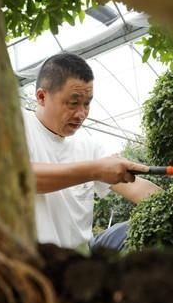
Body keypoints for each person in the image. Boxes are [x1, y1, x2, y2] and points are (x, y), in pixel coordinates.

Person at [23, 52, 161, 251]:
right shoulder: (18, 127)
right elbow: (22, 178)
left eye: (87, 103)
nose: (81, 114)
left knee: (143, 229)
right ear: (42, 97)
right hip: (35, 265)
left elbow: (136, 187)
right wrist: (94, 170)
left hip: (81, 259)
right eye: (73, 103)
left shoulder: (88, 145)